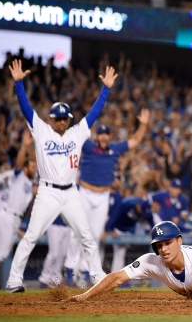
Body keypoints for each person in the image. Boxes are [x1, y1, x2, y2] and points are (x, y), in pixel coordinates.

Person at [5, 59, 115, 293]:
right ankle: (14, 280)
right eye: (58, 118)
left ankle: (97, 276)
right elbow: (26, 107)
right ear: (51, 119)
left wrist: (105, 89)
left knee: (86, 235)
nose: (62, 121)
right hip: (48, 192)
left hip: (71, 193)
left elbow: (94, 113)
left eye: (65, 118)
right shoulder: (41, 130)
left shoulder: (77, 133)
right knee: (32, 236)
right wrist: (19, 85)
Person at [65, 109, 149, 285]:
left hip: (103, 195)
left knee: (94, 235)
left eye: (106, 134)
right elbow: (71, 136)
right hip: (85, 193)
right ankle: (70, 267)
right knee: (77, 231)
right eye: (101, 134)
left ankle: (86, 270)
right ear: (97, 136)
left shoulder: (114, 149)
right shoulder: (88, 146)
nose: (103, 137)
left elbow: (135, 141)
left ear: (110, 137)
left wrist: (143, 125)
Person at [0, 131, 36, 286]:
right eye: (32, 166)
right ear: (25, 168)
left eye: (35, 166)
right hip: (8, 216)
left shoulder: (29, 183)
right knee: (2, 253)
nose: (34, 168)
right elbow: (19, 163)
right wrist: (24, 146)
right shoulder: (19, 177)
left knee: (3, 253)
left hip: (13, 219)